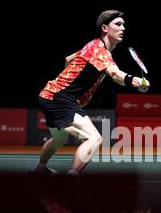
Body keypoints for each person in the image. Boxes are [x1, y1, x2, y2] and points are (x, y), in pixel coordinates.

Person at [30, 10, 150, 175]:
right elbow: (115, 74)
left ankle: (39, 170)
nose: (123, 28)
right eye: (118, 24)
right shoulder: (100, 50)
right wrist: (135, 81)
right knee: (94, 138)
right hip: (60, 98)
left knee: (60, 139)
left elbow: (68, 59)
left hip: (51, 94)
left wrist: (69, 82)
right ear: (105, 28)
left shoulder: (91, 46)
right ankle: (71, 178)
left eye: (123, 25)